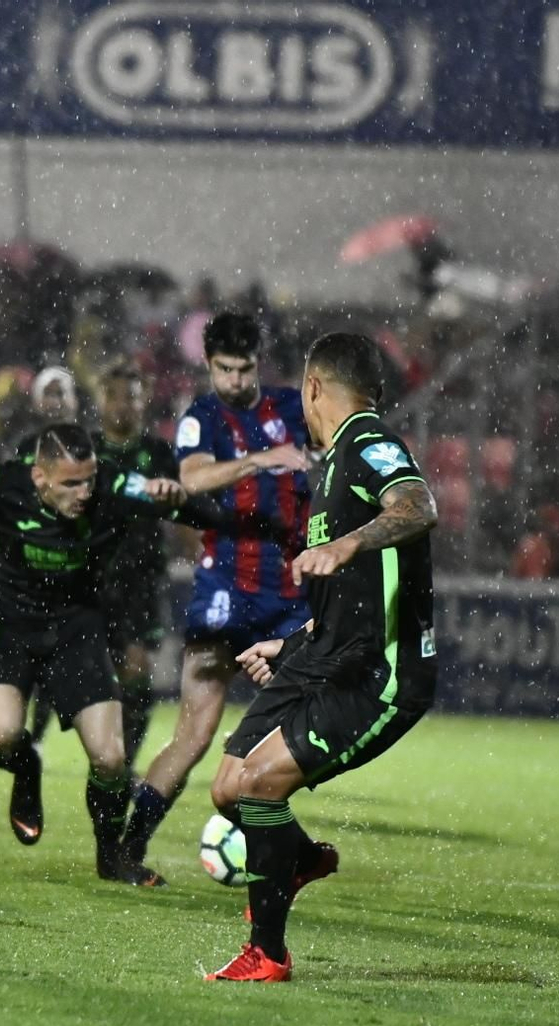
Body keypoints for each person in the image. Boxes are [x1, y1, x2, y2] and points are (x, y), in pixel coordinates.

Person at [205, 332, 438, 982]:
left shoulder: (371, 442)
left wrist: (348, 544)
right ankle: (299, 859)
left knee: (259, 785)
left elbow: (419, 504)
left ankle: (268, 953)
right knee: (229, 787)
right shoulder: (333, 461)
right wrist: (290, 642)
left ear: (312, 386)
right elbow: (359, 593)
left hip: (378, 673)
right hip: (324, 651)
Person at [0, 423, 226, 886]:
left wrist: (177, 499)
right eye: (71, 483)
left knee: (111, 759)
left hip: (76, 626)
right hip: (8, 620)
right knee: (0, 738)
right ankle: (26, 767)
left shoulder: (116, 486)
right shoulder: (2, 483)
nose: (85, 492)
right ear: (39, 477)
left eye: (89, 479)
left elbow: (207, 513)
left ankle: (110, 856)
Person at [119, 311, 311, 871]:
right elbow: (194, 480)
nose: (236, 381)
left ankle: (271, 841)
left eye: (245, 368)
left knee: (293, 731)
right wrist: (259, 461)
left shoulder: (292, 408)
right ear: (208, 366)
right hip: (226, 590)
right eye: (225, 369)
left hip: (290, 594)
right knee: (194, 731)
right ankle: (129, 849)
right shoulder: (201, 416)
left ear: (259, 361)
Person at [90, 360, 180, 766]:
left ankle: (123, 762)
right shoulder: (86, 450)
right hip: (89, 577)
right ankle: (97, 751)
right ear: (101, 402)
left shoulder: (158, 453)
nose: (122, 405)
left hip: (141, 577)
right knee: (86, 672)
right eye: (114, 396)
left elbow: (181, 509)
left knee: (137, 671)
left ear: (143, 402)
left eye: (131, 396)